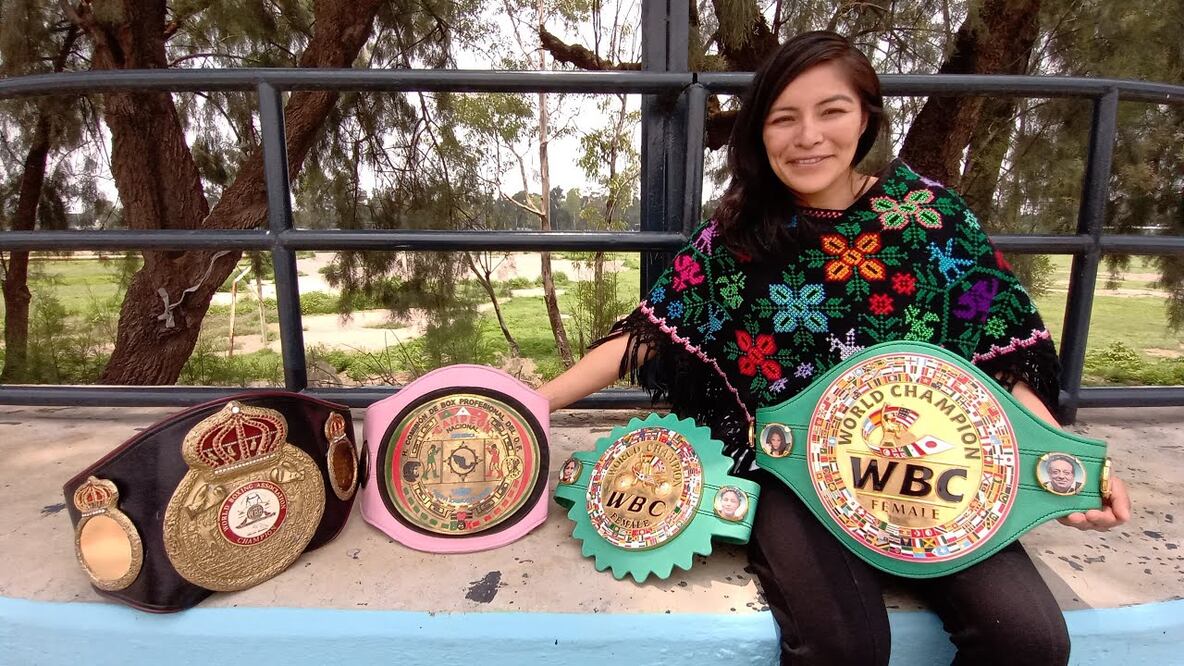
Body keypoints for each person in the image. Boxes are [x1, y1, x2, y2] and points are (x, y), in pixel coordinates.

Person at [539, 30, 1130, 665]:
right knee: (842, 647)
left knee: (1030, 641)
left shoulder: (929, 216)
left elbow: (1000, 357)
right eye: (783, 118)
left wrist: (1065, 471)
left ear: (867, 116)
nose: (808, 136)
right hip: (789, 474)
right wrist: (529, 404)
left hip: (933, 476)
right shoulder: (738, 235)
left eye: (832, 111)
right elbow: (651, 334)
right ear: (759, 133)